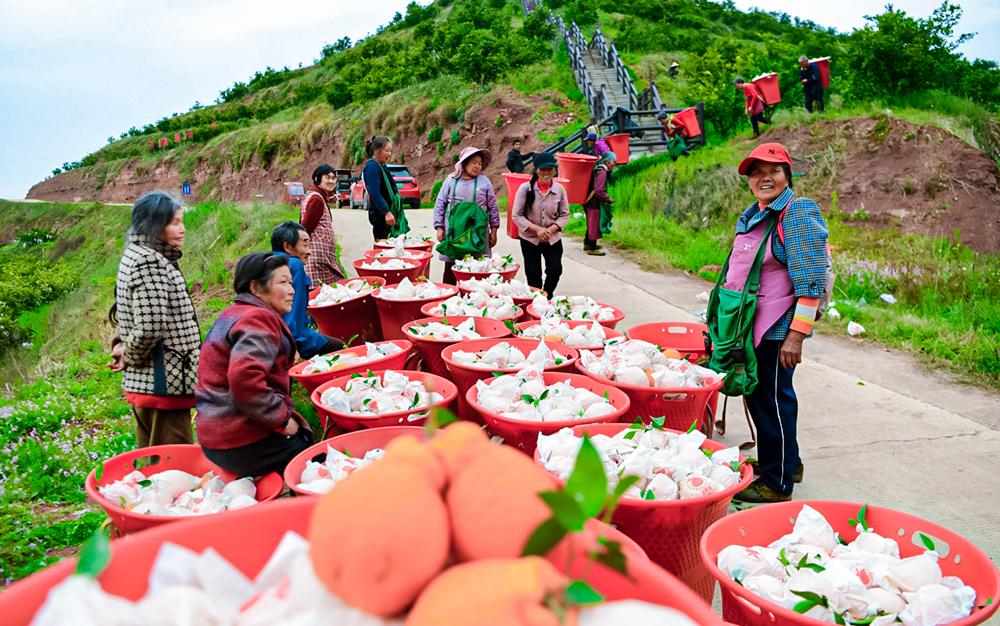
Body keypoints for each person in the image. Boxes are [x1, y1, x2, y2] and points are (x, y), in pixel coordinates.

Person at [711, 143, 828, 503]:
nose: (765, 178)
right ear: (748, 180)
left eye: (774, 170)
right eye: (757, 172)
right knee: (764, 400)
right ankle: (785, 463)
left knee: (773, 403)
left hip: (778, 330)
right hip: (753, 328)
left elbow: (811, 283)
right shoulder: (758, 215)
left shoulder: (795, 214)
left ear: (787, 176)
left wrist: (796, 336)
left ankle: (777, 485)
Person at [195, 252, 312, 476]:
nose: (291, 290)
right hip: (238, 440)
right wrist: (281, 419)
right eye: (282, 283)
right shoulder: (258, 319)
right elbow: (245, 378)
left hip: (214, 436)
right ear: (256, 288)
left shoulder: (234, 313)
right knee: (311, 459)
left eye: (291, 282)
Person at [108, 191, 201, 447]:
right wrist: (129, 354)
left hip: (151, 382)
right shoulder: (151, 261)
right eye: (174, 223)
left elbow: (125, 310)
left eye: (182, 221)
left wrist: (120, 346)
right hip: (161, 381)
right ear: (152, 226)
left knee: (153, 457)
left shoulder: (136, 253)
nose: (182, 229)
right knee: (173, 463)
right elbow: (149, 326)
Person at [271, 221, 345, 358]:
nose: (309, 251)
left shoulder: (268, 262)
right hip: (291, 338)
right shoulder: (294, 265)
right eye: (305, 244)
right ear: (287, 246)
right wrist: (293, 347)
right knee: (341, 347)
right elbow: (294, 312)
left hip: (272, 334)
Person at [433, 146, 501, 284]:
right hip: (455, 233)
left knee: (477, 271)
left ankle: (472, 301)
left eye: (480, 163)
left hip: (478, 234)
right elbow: (440, 203)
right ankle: (450, 300)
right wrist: (439, 227)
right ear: (464, 163)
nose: (477, 166)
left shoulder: (484, 182)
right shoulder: (451, 180)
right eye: (474, 162)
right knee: (451, 270)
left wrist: (494, 231)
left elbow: (493, 207)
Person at [511, 152, 570, 298]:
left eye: (550, 169)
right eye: (543, 169)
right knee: (533, 275)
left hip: (552, 238)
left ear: (554, 170)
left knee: (555, 270)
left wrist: (550, 230)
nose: (546, 173)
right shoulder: (525, 189)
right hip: (530, 239)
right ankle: (536, 301)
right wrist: (537, 230)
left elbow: (564, 214)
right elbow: (516, 215)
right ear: (536, 170)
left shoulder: (559, 190)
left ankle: (546, 295)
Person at [299, 164, 346, 285]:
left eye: (333, 178)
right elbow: (305, 228)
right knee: (328, 290)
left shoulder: (315, 196)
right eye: (327, 177)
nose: (331, 181)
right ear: (317, 178)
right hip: (317, 256)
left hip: (319, 256)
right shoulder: (317, 199)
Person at [362, 136, 408, 241]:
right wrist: (386, 212)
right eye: (386, 150)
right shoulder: (372, 167)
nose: (389, 154)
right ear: (376, 151)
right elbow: (375, 193)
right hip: (381, 218)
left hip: (387, 217)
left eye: (390, 151)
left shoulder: (380, 165)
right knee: (384, 249)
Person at [582, 151, 616, 256]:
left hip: (588, 200)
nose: (615, 164)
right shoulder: (602, 172)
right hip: (593, 202)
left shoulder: (597, 168)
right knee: (594, 224)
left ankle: (587, 244)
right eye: (613, 162)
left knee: (590, 222)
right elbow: (599, 190)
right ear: (607, 162)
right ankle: (592, 248)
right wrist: (608, 199)